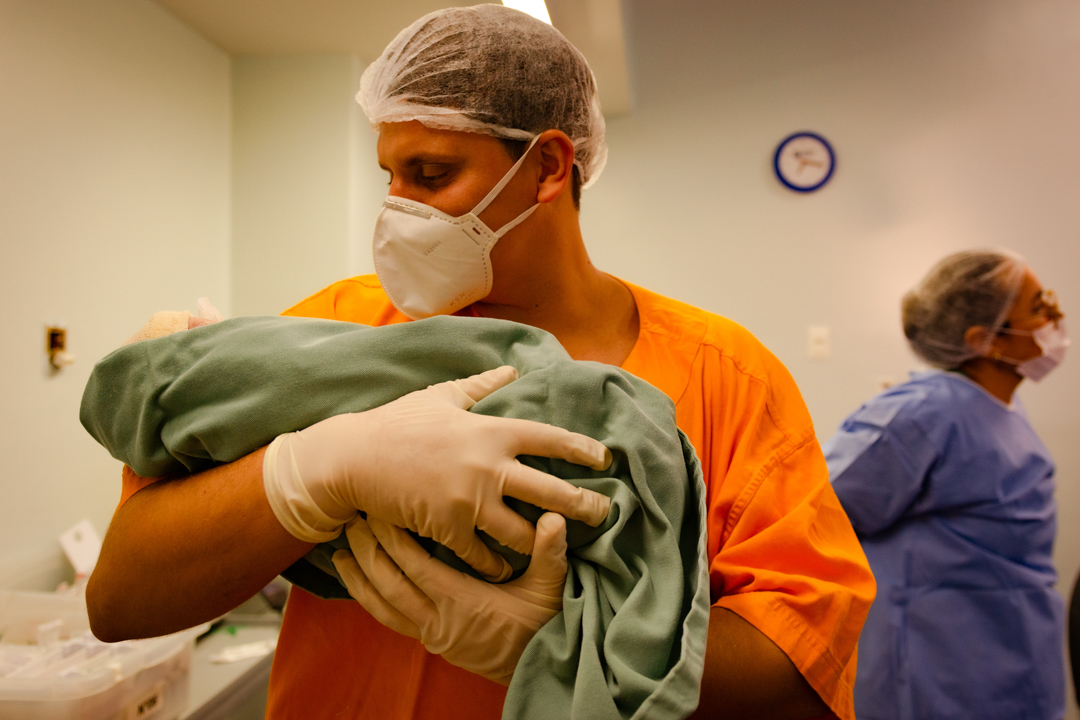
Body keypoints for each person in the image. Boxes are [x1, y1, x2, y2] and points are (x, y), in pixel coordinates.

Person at [87, 6, 874, 719]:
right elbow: (120, 599)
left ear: (548, 168)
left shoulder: (723, 375)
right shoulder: (341, 327)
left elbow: (799, 675)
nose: (398, 207)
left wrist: (564, 640)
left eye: (431, 175)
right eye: (388, 175)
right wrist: (313, 472)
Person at [824, 249, 1069, 720]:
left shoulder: (1003, 410)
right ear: (985, 340)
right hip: (934, 671)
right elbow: (819, 514)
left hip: (1013, 652)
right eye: (1038, 307)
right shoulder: (924, 414)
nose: (1054, 317)